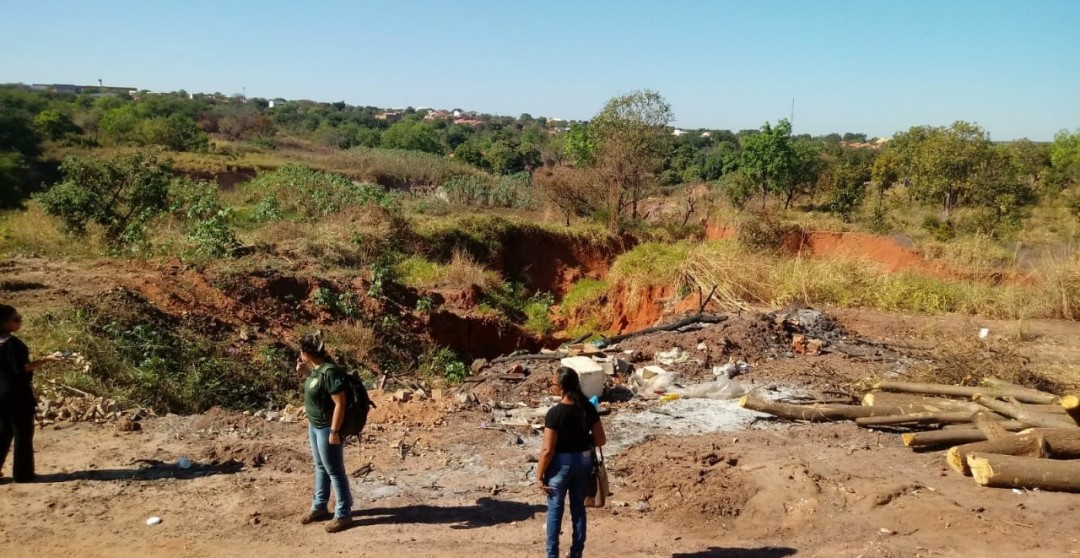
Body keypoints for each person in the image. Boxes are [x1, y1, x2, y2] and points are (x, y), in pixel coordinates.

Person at [536, 366, 607, 558]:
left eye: (552, 383)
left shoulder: (555, 413)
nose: (551, 387)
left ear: (562, 387)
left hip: (559, 466)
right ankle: (576, 554)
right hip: (583, 463)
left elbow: (547, 450)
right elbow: (601, 440)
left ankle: (552, 555)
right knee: (578, 510)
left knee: (555, 512)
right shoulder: (588, 408)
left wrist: (539, 475)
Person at [297, 332, 353, 533]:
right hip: (314, 425)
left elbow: (340, 403)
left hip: (326, 428)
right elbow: (316, 390)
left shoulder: (330, 372)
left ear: (307, 353)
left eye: (302, 352)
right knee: (321, 467)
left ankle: (344, 513)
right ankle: (319, 507)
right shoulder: (317, 369)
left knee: (335, 471)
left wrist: (334, 430)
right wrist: (305, 373)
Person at [0, 305, 62, 483]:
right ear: (4, 323)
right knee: (23, 433)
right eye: (16, 319)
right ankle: (23, 474)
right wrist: (47, 359)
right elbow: (21, 368)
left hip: (1, 394)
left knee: (3, 432)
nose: (20, 322)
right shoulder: (13, 344)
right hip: (16, 393)